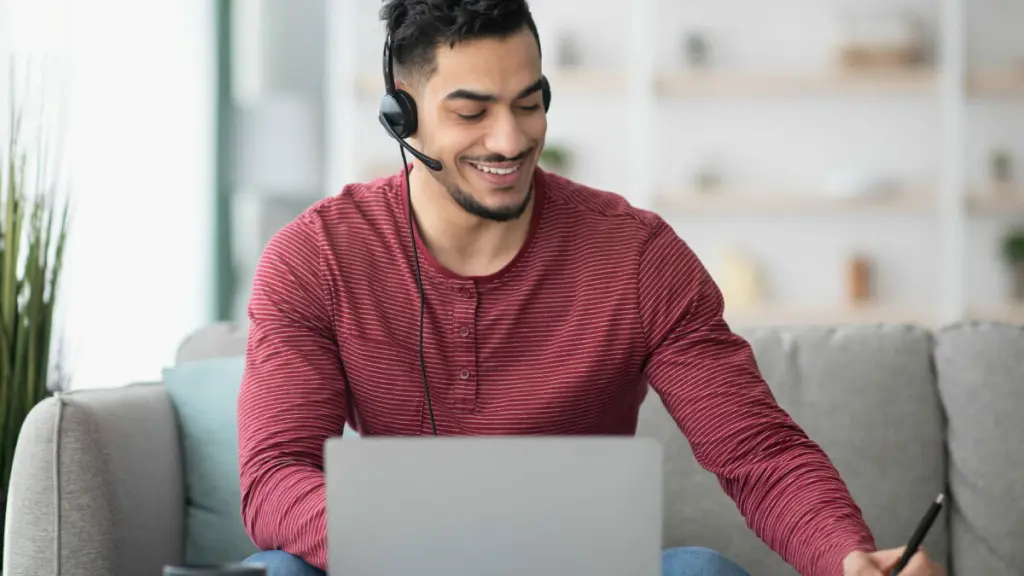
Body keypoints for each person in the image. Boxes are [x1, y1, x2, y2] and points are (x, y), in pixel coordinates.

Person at [236, 1, 945, 575]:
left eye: (529, 102)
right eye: (472, 111)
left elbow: (756, 450)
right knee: (279, 571)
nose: (511, 139)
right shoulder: (315, 257)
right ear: (402, 116)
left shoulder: (637, 255)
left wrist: (847, 558)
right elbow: (274, 475)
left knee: (703, 572)